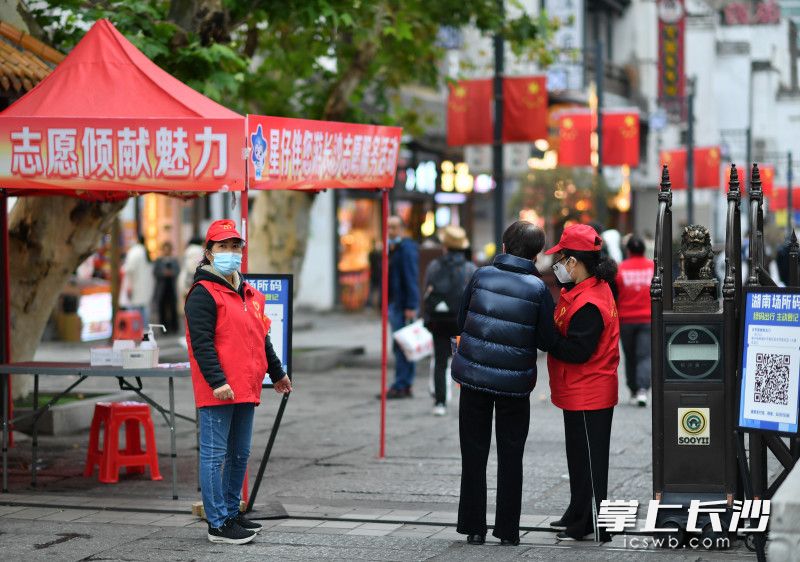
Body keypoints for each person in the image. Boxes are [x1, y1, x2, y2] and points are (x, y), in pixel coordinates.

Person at [184, 219, 292, 545]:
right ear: (208, 252)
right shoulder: (203, 294)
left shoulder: (250, 293)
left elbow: (263, 339)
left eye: (235, 247)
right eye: (223, 247)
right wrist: (217, 380)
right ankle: (217, 523)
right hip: (219, 388)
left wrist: (277, 373)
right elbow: (200, 344)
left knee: (240, 454)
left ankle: (232, 514)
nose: (231, 252)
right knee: (215, 456)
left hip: (246, 385)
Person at [451, 221, 557, 546]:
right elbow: (545, 339)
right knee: (512, 454)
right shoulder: (538, 289)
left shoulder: (481, 275)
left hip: (474, 378)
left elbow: (461, 320)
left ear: (504, 245)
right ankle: (508, 530)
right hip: (515, 384)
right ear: (536, 254)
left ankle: (474, 527)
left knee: (474, 451)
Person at [544, 223, 620, 542]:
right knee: (578, 457)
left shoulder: (591, 302)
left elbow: (578, 350)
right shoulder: (584, 290)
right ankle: (578, 509)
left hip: (590, 390)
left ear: (574, 261)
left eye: (561, 257)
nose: (557, 264)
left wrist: (545, 339)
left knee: (589, 461)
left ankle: (590, 520)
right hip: (578, 389)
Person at [422, 225, 477, 416]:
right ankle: (468, 402)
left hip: (439, 321)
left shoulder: (434, 266)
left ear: (445, 246)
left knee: (440, 361)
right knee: (463, 361)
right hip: (461, 323)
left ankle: (440, 402)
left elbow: (426, 292)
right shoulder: (470, 268)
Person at [616, 235, 654, 406]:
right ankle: (643, 390)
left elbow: (614, 292)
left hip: (626, 319)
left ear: (629, 250)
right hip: (647, 318)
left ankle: (632, 389)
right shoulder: (652, 267)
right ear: (644, 249)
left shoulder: (620, 269)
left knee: (630, 356)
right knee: (645, 355)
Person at [384, 216, 420, 398]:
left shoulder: (406, 249)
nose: (390, 231)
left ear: (402, 229)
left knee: (403, 345)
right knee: (401, 345)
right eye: (388, 227)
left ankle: (402, 384)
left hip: (403, 305)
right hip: (395, 303)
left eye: (394, 227)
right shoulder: (393, 249)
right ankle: (403, 383)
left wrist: (412, 305)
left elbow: (411, 278)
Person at [121, 235, 154, 326]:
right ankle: (145, 332)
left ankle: (136, 331)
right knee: (144, 310)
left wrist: (129, 286)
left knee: (134, 311)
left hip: (135, 286)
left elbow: (129, 269)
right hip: (145, 288)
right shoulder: (145, 251)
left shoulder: (134, 252)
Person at [153, 241, 180, 333]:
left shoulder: (174, 260)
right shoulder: (159, 260)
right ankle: (163, 329)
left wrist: (171, 273)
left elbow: (177, 271)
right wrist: (163, 273)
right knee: (162, 308)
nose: (166, 251)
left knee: (173, 308)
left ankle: (174, 327)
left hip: (171, 287)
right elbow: (155, 272)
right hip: (162, 288)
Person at [178, 236, 205, 318]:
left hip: (185, 280)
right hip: (192, 281)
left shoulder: (188, 250)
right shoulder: (199, 251)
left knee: (187, 306)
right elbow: (193, 268)